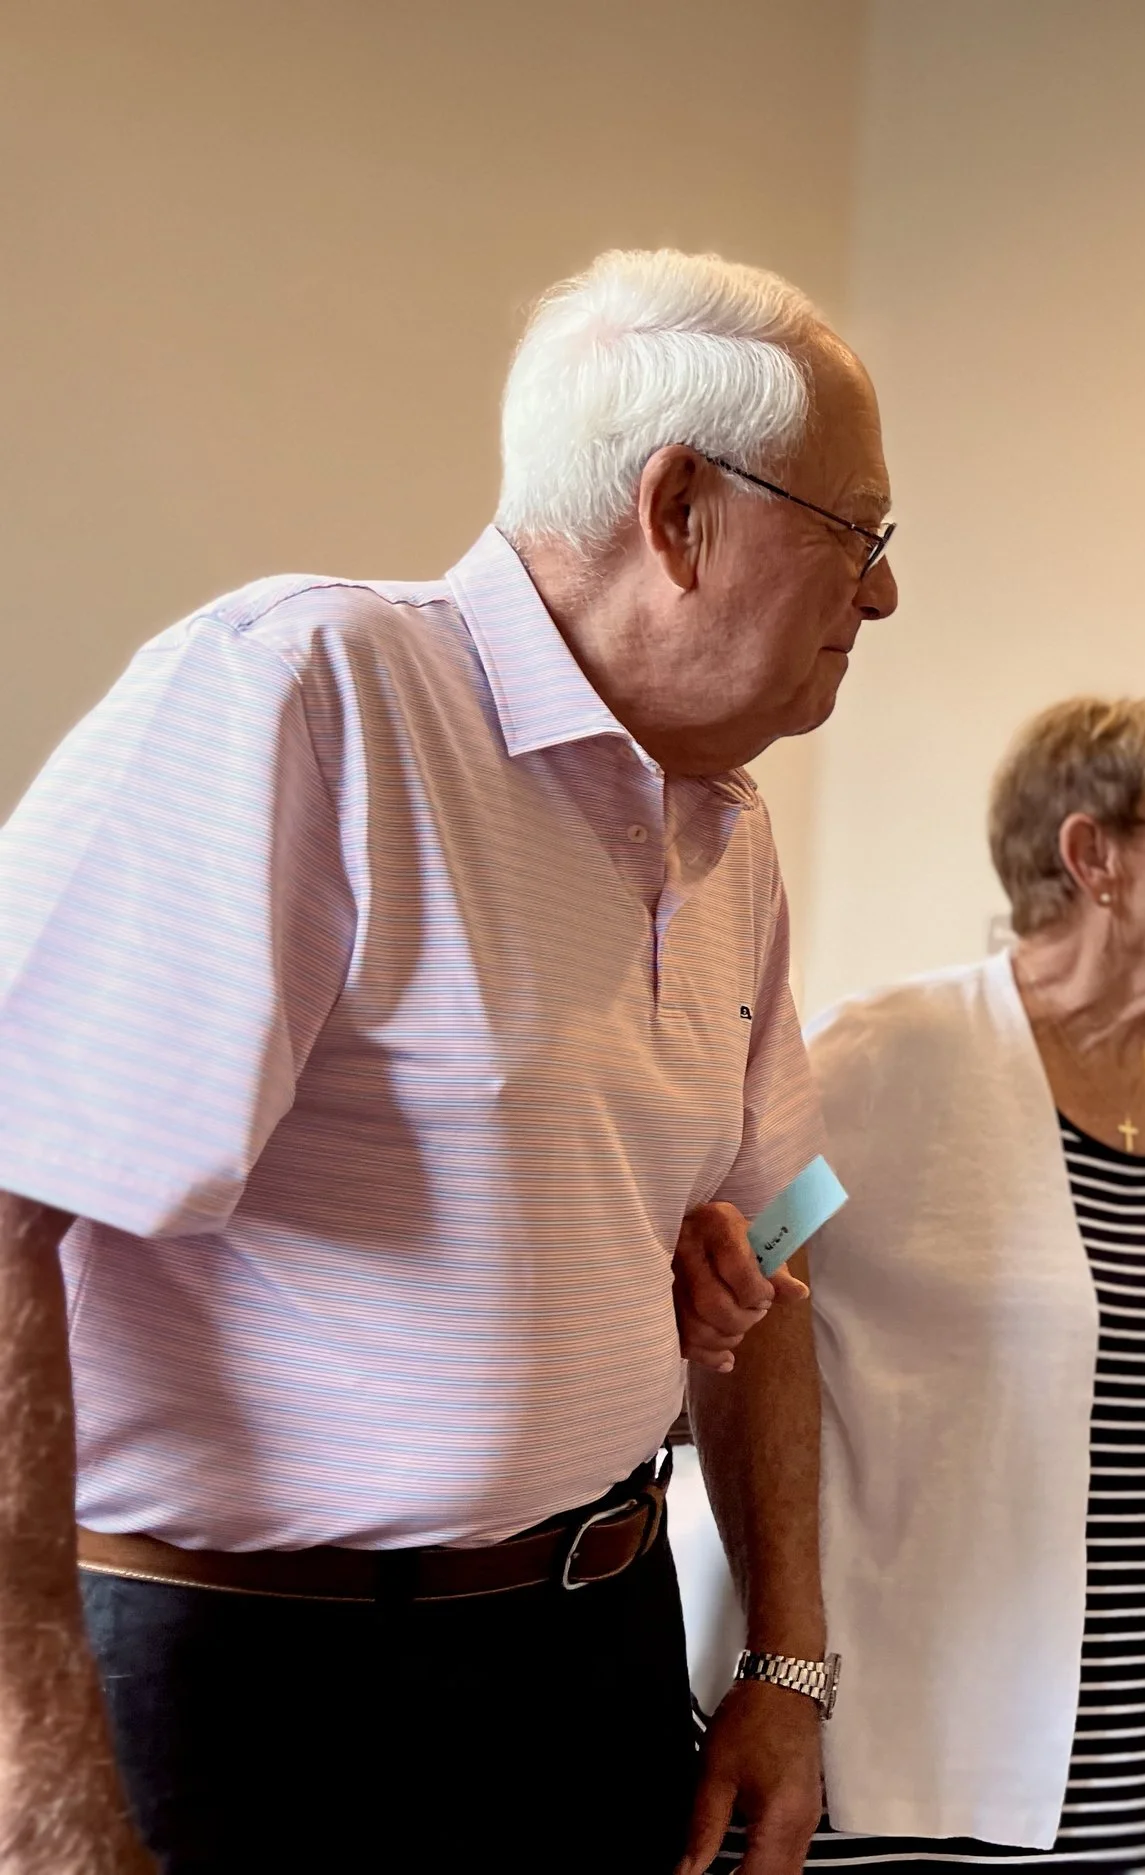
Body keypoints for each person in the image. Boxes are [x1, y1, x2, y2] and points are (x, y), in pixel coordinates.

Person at [0, 248, 894, 1875]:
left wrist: (785, 1665)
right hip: (247, 1681)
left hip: (592, 1655)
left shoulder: (732, 833)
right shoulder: (307, 693)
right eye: (861, 536)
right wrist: (34, 1778)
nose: (886, 594)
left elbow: (783, 1231)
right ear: (680, 510)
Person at [713, 697, 1145, 1874]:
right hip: (915, 1731)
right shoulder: (882, 1056)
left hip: (1135, 1747)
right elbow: (741, 1287)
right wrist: (779, 1653)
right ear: (1090, 855)